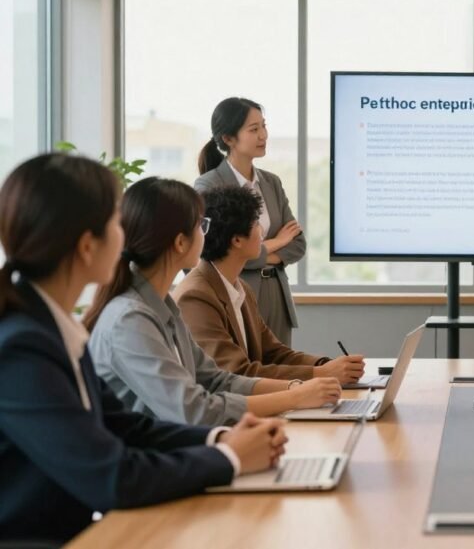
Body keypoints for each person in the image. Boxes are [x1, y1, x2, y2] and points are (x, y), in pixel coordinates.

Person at [0, 153, 286, 544]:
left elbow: (126, 427)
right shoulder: (22, 349)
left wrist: (219, 440)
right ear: (87, 246)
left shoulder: (53, 328)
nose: (125, 236)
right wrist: (230, 458)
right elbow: (113, 476)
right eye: (115, 223)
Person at [85, 177, 344, 426]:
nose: (205, 234)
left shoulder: (163, 306)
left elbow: (216, 380)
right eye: (201, 226)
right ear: (179, 242)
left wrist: (297, 387)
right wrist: (295, 397)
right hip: (150, 461)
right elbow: (194, 410)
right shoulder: (130, 319)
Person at [175, 186, 365, 382]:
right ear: (237, 240)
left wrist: (325, 365)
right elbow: (237, 374)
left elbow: (274, 353)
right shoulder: (196, 296)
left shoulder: (240, 288)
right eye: (256, 223)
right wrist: (321, 374)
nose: (263, 231)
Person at [196, 97, 303, 345]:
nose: (263, 135)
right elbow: (214, 252)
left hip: (277, 294)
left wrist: (253, 254)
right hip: (237, 291)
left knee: (284, 370)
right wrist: (276, 242)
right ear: (228, 139)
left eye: (264, 126)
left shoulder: (271, 182)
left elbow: (298, 244)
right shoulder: (209, 185)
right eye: (253, 129)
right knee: (246, 373)